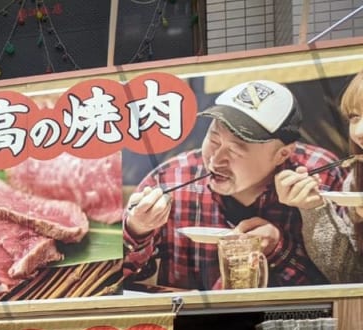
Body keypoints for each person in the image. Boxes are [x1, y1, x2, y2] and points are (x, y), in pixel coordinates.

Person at [123, 79, 346, 291]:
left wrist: (279, 248)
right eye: (214, 139)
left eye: (236, 150)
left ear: (282, 154)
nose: (215, 160)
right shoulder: (171, 178)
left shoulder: (319, 176)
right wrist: (137, 230)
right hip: (193, 327)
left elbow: (347, 280)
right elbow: (112, 279)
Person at [272, 71, 363, 283]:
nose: (359, 132)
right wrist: (312, 208)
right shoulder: (355, 181)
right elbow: (348, 277)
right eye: (355, 117)